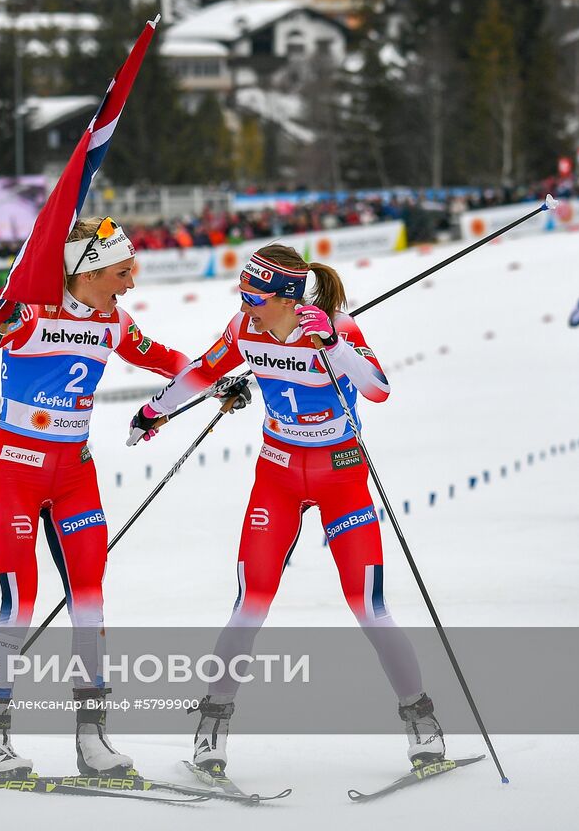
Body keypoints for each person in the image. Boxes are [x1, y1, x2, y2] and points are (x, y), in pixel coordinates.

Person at [129, 244, 445, 772]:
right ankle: (213, 720)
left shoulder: (335, 327)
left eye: (255, 295)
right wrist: (154, 411)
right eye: (244, 293)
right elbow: (204, 372)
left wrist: (334, 345)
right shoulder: (244, 328)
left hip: (340, 475)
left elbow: (379, 389)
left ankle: (420, 716)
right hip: (277, 475)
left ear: (286, 296)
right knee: (251, 600)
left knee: (368, 603)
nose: (246, 304)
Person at [0, 217, 189, 780]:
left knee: (90, 601)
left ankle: (93, 739)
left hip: (74, 477)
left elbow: (170, 361)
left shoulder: (113, 321)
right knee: (19, 605)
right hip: (17, 474)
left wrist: (224, 377)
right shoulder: (32, 312)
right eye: (121, 271)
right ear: (84, 270)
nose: (130, 282)